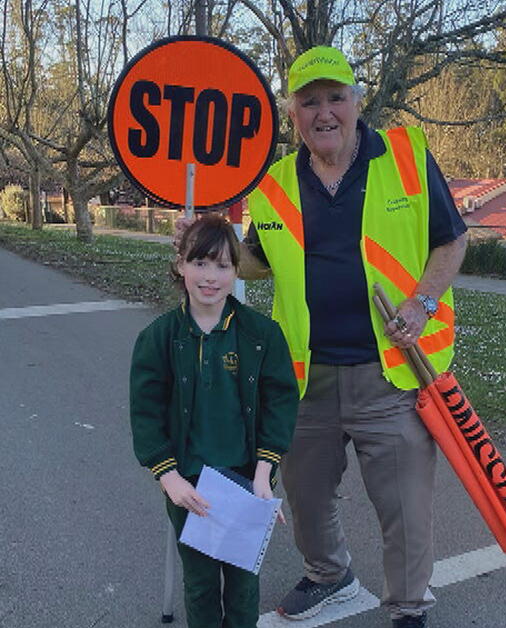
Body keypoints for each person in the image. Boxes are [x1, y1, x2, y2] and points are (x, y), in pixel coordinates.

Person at [232, 46, 467, 628]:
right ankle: (329, 576)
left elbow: (452, 239)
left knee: (405, 507)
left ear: (358, 102)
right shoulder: (273, 185)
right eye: (309, 101)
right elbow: (251, 262)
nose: (324, 112)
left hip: (391, 370)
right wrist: (201, 244)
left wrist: (422, 301)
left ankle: (409, 607)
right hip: (305, 375)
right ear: (293, 116)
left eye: (335, 97)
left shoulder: (406, 156)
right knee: (307, 497)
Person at [130, 213, 298, 628]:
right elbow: (146, 413)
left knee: (242, 585)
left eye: (222, 265)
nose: (210, 277)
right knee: (201, 584)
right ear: (181, 265)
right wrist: (169, 478)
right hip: (189, 485)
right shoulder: (158, 338)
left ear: (236, 271)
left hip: (245, 482)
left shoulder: (262, 334)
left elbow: (280, 402)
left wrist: (264, 474)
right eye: (200, 263)